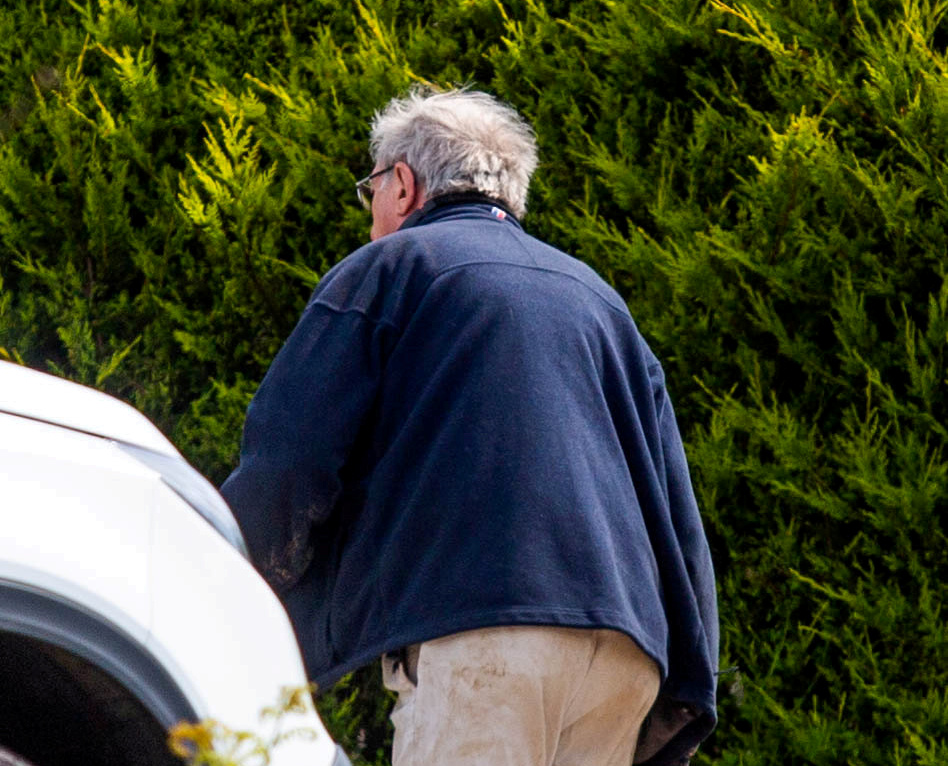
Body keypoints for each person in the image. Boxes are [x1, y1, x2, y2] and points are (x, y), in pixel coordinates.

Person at [221, 87, 719, 766]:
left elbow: (289, 459)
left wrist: (227, 584)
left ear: (402, 184)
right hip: (627, 650)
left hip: (489, 636)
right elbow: (675, 510)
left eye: (370, 190)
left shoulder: (389, 269)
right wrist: (692, 679)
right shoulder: (600, 301)